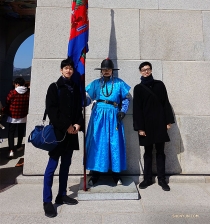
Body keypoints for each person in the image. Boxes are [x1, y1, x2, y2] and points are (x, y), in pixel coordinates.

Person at [43, 58, 84, 218]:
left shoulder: (74, 87)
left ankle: (62, 194)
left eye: (70, 68)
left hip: (72, 135)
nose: (68, 71)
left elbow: (78, 110)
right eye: (66, 68)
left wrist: (78, 124)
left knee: (66, 166)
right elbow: (52, 111)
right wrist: (67, 125)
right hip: (58, 134)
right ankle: (47, 201)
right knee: (51, 167)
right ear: (61, 70)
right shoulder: (54, 87)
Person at [85, 58, 130, 186]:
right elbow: (88, 99)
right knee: (97, 143)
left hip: (114, 116)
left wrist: (123, 111)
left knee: (115, 144)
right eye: (104, 69)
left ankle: (116, 175)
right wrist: (82, 100)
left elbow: (126, 99)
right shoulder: (95, 84)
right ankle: (95, 175)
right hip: (98, 117)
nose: (106, 71)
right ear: (101, 71)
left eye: (108, 69)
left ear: (112, 71)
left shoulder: (119, 83)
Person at [133, 61, 174, 191]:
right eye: (144, 69)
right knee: (148, 153)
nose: (146, 71)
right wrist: (140, 128)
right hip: (146, 126)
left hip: (160, 123)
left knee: (161, 152)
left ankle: (162, 179)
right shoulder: (138, 88)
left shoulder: (159, 85)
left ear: (151, 70)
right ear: (140, 72)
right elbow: (137, 109)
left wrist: (168, 121)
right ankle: (147, 179)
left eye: (148, 69)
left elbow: (165, 103)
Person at [2, 77, 29, 158]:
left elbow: (7, 101)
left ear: (17, 84)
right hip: (23, 115)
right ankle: (19, 146)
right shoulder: (28, 92)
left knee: (11, 133)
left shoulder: (13, 92)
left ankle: (11, 150)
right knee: (21, 131)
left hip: (13, 115)